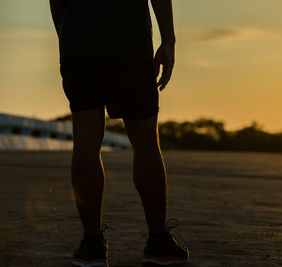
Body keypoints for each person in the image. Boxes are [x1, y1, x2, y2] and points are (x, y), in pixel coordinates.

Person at [49, 0, 189, 266]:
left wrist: (68, 37)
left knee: (86, 142)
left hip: (78, 41)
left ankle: (91, 245)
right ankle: (158, 241)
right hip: (129, 41)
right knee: (146, 143)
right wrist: (168, 41)